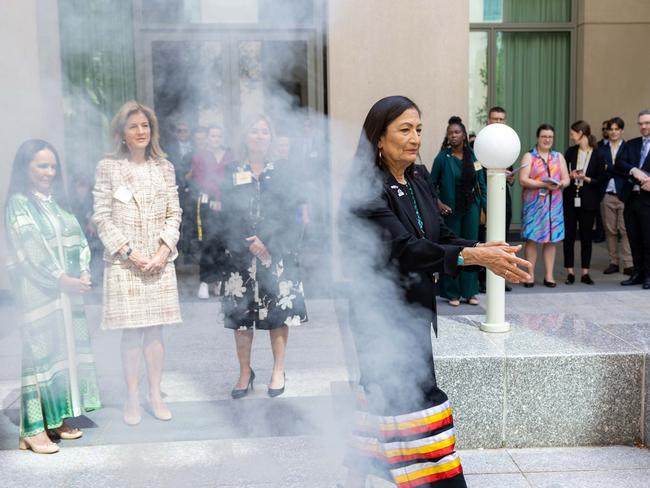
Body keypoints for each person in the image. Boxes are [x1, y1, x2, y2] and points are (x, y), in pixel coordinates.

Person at [339, 96, 531, 488]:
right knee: (412, 397)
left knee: (387, 396)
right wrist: (473, 256)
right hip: (381, 317)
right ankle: (440, 482)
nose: (415, 138)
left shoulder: (418, 177)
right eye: (405, 130)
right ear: (378, 138)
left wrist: (485, 247)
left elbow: (438, 235)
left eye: (419, 129)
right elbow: (406, 249)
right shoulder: (364, 189)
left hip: (414, 311)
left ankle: (360, 473)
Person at [5, 140, 101, 453]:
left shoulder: (53, 202)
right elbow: (31, 248)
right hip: (40, 293)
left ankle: (55, 417)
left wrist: (83, 271)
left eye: (52, 166)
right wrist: (60, 279)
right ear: (26, 168)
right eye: (41, 166)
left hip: (66, 292)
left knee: (63, 355)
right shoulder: (20, 203)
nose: (49, 172)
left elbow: (78, 239)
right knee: (39, 358)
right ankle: (31, 431)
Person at [93, 101, 182, 425]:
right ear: (122, 133)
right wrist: (128, 252)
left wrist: (162, 250)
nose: (141, 131)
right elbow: (102, 217)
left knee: (155, 332)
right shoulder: (108, 167)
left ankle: (154, 394)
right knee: (131, 334)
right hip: (125, 262)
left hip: (158, 261)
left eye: (145, 125)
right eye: (134, 126)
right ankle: (132, 396)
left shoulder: (164, 167)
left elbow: (175, 213)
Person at [220, 114, 307, 399]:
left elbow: (291, 214)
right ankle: (245, 372)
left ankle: (278, 370)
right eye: (254, 131)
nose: (259, 136)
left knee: (277, 315)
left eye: (264, 131)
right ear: (245, 136)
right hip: (241, 256)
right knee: (242, 317)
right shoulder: (232, 170)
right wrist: (248, 242)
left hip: (275, 253)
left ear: (271, 137)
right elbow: (226, 213)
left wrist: (268, 241)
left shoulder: (283, 171)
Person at [431, 116, 487, 306]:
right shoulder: (442, 157)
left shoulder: (474, 156)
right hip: (450, 211)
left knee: (471, 247)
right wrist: (438, 204)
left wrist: (484, 208)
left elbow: (481, 184)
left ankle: (470, 292)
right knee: (454, 249)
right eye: (450, 133)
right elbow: (430, 187)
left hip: (471, 208)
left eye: (457, 132)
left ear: (463, 135)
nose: (453, 136)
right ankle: (452, 292)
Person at [519, 124, 570, 287]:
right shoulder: (529, 156)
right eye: (544, 136)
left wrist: (560, 184)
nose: (547, 139)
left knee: (551, 241)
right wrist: (543, 184)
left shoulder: (558, 156)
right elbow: (523, 179)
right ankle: (530, 275)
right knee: (532, 240)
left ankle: (549, 276)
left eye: (550, 137)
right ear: (538, 138)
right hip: (534, 206)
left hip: (554, 205)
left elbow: (566, 179)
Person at [189, 125, 233, 299]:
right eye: (213, 136)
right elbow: (200, 180)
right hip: (207, 205)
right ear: (207, 138)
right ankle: (205, 282)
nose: (216, 139)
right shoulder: (199, 157)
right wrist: (214, 198)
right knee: (208, 243)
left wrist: (223, 199)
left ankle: (221, 281)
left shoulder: (230, 157)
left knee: (224, 244)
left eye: (219, 135)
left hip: (227, 205)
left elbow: (231, 181)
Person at [562, 120, 606, 285]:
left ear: (581, 133)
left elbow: (601, 179)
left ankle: (585, 273)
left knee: (587, 237)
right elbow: (564, 173)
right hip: (571, 198)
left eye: (573, 133)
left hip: (588, 200)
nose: (571, 136)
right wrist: (571, 176)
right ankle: (570, 272)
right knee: (569, 237)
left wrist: (585, 178)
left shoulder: (598, 154)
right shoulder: (571, 152)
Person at [478, 106, 513, 293]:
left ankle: (501, 277)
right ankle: (484, 279)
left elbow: (511, 174)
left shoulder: (508, 143)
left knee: (503, 239)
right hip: (485, 198)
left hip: (503, 196)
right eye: (495, 119)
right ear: (488, 121)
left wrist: (511, 177)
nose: (498, 122)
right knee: (486, 239)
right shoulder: (482, 143)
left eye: (501, 119)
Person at [615, 108, 650, 289]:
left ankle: (648, 276)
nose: (643, 127)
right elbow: (619, 162)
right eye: (641, 123)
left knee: (648, 238)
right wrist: (633, 169)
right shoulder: (631, 144)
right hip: (631, 198)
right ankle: (637, 273)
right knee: (633, 237)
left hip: (648, 201)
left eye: (647, 123)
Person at [600, 117, 633, 275]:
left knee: (625, 230)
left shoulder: (629, 147)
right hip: (607, 193)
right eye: (611, 129)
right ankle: (613, 262)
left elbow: (627, 170)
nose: (613, 132)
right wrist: (616, 169)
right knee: (610, 230)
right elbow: (600, 169)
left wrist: (610, 168)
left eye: (616, 129)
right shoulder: (601, 148)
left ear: (621, 130)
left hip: (624, 194)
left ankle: (628, 263)